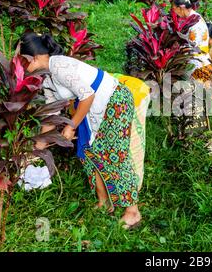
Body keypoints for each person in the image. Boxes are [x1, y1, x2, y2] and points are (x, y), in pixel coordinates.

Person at [19, 32, 143, 229]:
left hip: (114, 101)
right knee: (89, 153)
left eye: (21, 60)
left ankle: (132, 211)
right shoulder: (46, 77)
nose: (20, 66)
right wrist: (38, 145)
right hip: (93, 108)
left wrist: (71, 126)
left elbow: (87, 96)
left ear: (32, 57)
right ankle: (104, 203)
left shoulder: (59, 66)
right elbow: (52, 111)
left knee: (114, 154)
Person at [171, 0, 212, 137]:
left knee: (194, 97)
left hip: (196, 65)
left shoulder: (191, 23)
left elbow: (188, 47)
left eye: (174, 8)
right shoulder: (196, 17)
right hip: (205, 63)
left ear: (181, 8)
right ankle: (202, 128)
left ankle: (195, 132)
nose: (173, 11)